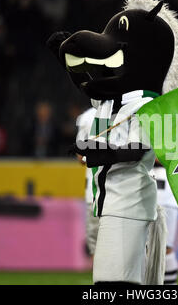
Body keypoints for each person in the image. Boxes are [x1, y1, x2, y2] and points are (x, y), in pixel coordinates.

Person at [75, 106, 98, 257]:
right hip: (95, 187)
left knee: (97, 242)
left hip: (99, 188)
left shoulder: (87, 116)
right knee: (97, 243)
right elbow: (80, 156)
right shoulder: (87, 117)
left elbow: (80, 156)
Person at [152, 160, 178, 285]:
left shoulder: (175, 139)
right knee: (147, 248)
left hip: (166, 196)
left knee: (165, 247)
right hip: (146, 191)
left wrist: (147, 154)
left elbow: (173, 157)